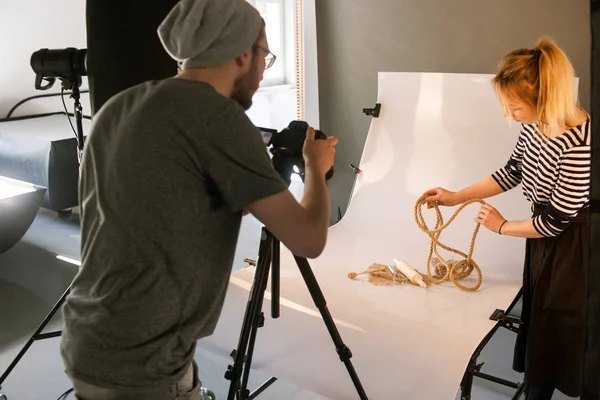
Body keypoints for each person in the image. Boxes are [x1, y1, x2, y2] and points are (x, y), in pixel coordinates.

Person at [59, 0, 338, 399]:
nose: (264, 69)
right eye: (265, 56)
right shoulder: (218, 117)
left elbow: (150, 204)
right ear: (244, 52)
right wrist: (315, 165)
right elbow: (310, 240)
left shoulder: (119, 106)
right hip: (143, 366)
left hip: (87, 337)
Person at [423, 37, 591, 400]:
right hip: (544, 239)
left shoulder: (578, 141)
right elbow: (512, 171)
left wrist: (499, 226)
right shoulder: (537, 124)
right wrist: (456, 197)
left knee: (560, 323)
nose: (509, 116)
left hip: (572, 248)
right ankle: (536, 388)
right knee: (541, 323)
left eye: (514, 108)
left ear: (543, 99)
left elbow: (555, 222)